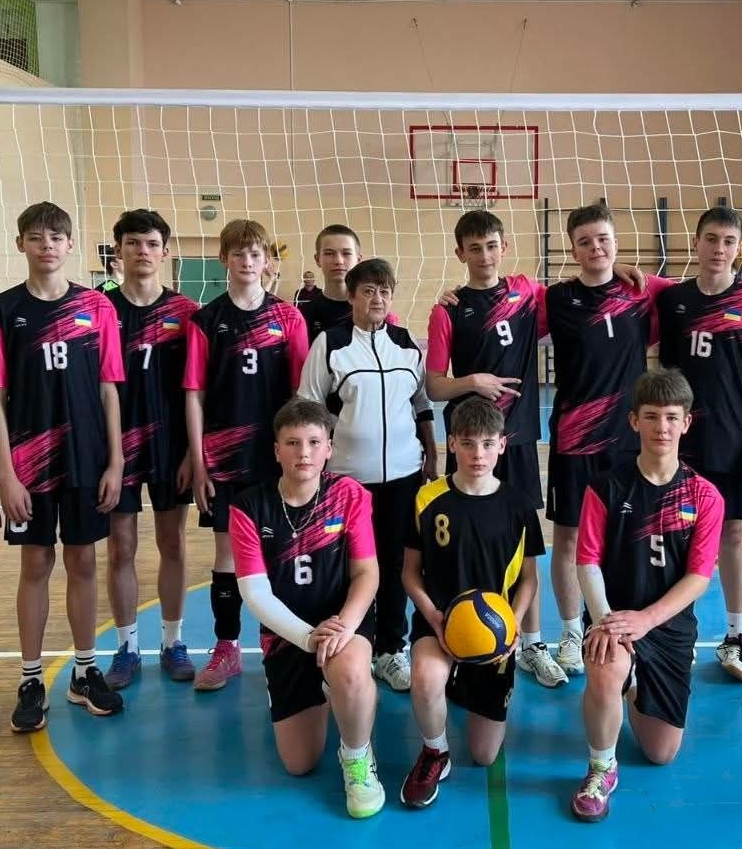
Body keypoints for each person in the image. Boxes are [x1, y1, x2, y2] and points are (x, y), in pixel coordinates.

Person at [427, 209, 649, 688]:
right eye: (474, 248)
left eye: (491, 246)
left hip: (520, 441)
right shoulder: (449, 309)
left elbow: (592, 284)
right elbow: (435, 385)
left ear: (504, 248)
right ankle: (461, 633)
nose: (484, 256)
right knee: (468, 544)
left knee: (525, 546)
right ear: (460, 253)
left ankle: (531, 643)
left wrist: (623, 268)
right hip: (471, 445)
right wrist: (472, 381)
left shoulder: (528, 293)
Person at [0, 202, 126, 731]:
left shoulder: (97, 307)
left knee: (83, 561)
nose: (47, 245)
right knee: (36, 564)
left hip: (86, 458)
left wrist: (116, 461)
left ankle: (85, 672)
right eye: (37, 237)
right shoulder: (0, 312)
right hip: (29, 463)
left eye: (56, 237)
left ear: (70, 246)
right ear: (21, 243)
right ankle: (30, 678)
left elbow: (109, 389)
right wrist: (6, 474)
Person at [570, 368, 723, 822]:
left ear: (686, 423)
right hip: (614, 617)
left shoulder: (704, 496)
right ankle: (601, 768)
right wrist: (605, 620)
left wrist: (647, 620)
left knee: (661, 752)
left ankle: (633, 683)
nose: (662, 427)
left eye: (672, 417)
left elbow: (698, 577)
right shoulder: (606, 486)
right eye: (652, 416)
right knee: (605, 664)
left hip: (667, 625)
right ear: (634, 421)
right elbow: (587, 562)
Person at [232, 399, 385, 818]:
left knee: (350, 672)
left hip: (342, 621)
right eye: (293, 443)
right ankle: (333, 691)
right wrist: (306, 637)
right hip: (288, 634)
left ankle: (358, 758)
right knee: (299, 764)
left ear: (329, 448)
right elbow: (255, 593)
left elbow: (367, 573)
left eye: (314, 442)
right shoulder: (249, 507)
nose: (304, 452)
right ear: (276, 450)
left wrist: (345, 626)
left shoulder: (349, 495)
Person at [299, 258, 438, 692]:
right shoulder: (331, 343)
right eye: (368, 291)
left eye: (384, 291)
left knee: (396, 563)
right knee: (349, 566)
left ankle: (391, 650)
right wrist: (315, 464)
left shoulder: (406, 344)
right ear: (352, 296)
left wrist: (432, 455)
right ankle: (349, 647)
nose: (377, 299)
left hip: (403, 476)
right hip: (347, 481)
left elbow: (421, 405)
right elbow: (310, 406)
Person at [545, 203, 673, 677]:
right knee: (569, 537)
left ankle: (626, 628)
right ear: (573, 250)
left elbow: (704, 290)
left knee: (627, 538)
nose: (595, 248)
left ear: (616, 242)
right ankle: (570, 632)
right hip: (575, 440)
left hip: (628, 440)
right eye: (585, 241)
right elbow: (504, 296)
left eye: (603, 239)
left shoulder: (644, 291)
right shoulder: (556, 298)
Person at [655, 206, 742, 682]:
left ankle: (736, 635)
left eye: (729, 241)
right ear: (696, 242)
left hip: (734, 437)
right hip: (680, 440)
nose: (719, 249)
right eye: (711, 239)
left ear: (738, 249)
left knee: (731, 535)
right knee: (675, 537)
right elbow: (664, 372)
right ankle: (677, 633)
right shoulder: (674, 301)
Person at [184, 218, 309, 691]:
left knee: (284, 550)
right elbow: (194, 394)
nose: (247, 261)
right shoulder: (205, 321)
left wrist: (301, 455)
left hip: (277, 457)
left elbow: (301, 395)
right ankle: (227, 646)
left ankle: (288, 645)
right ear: (224, 259)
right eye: (238, 253)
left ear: (267, 261)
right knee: (228, 554)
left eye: (255, 254)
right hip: (224, 459)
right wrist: (199, 461)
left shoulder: (288, 318)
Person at [399, 397, 542, 807]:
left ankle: (462, 687)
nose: (477, 454)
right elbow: (409, 572)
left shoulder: (519, 506)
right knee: (426, 678)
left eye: (487, 444)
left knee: (483, 755)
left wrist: (512, 625)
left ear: (502, 445)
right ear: (452, 444)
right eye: (467, 443)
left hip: (494, 633)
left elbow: (529, 579)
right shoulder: (427, 499)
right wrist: (433, 615)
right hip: (439, 620)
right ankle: (435, 751)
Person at [98, 209, 201, 688]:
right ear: (118, 251)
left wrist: (191, 453)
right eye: (133, 242)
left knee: (172, 542)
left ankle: (173, 641)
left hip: (170, 446)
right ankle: (127, 647)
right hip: (115, 447)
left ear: (165, 251)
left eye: (152, 243)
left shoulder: (186, 312)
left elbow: (195, 389)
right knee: (121, 546)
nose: (143, 251)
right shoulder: (100, 309)